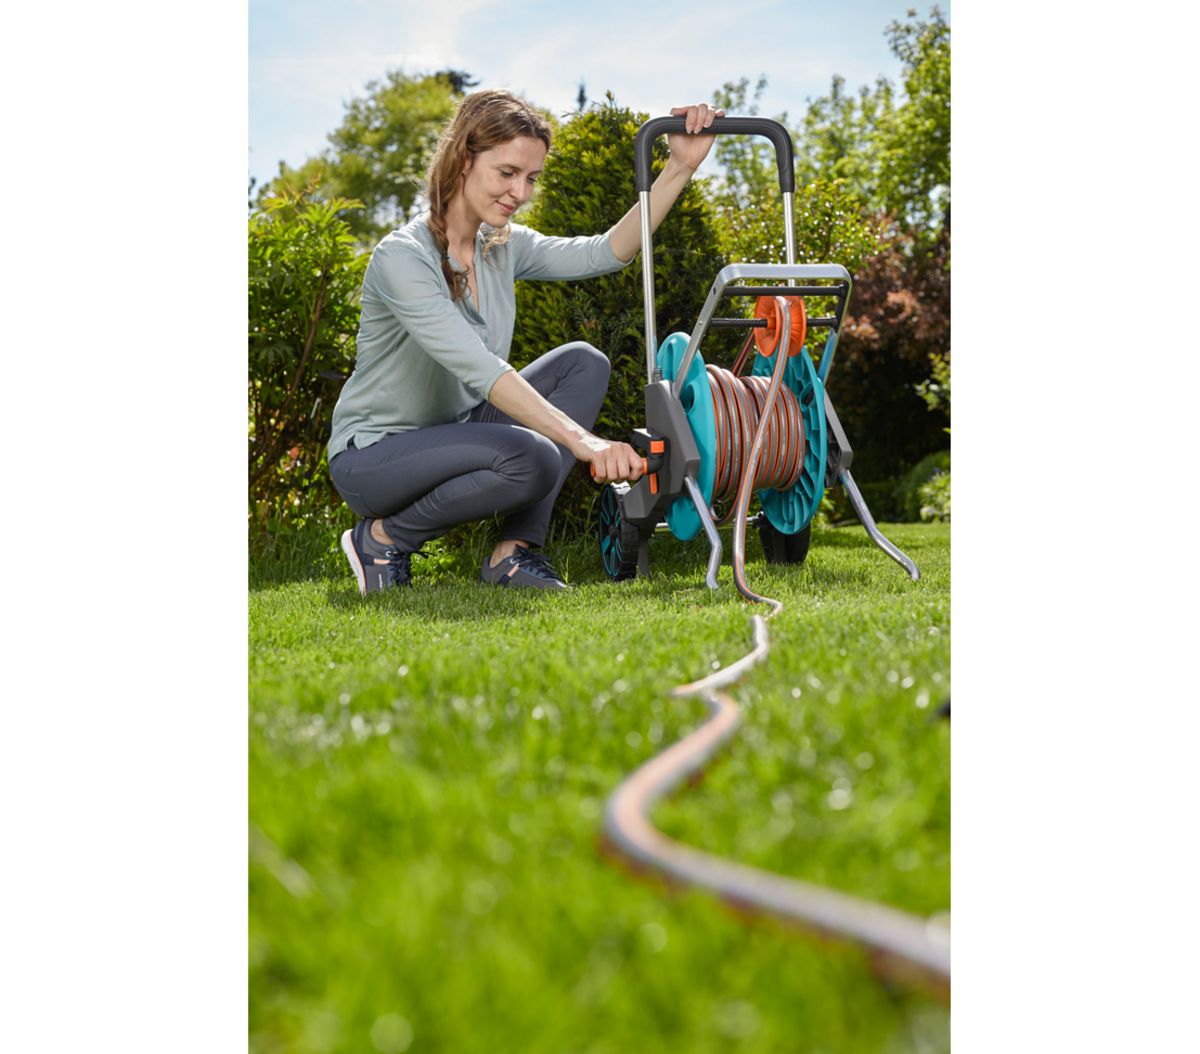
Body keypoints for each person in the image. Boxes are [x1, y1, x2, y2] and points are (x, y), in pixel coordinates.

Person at [328, 88, 723, 594]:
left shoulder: (501, 245)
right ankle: (382, 540)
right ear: (463, 160)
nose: (520, 192)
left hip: (457, 432)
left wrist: (680, 168)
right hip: (374, 458)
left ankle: (512, 554)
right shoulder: (403, 258)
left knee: (583, 363)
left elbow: (605, 252)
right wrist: (585, 442)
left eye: (531, 178)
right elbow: (482, 370)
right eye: (507, 173)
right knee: (533, 454)